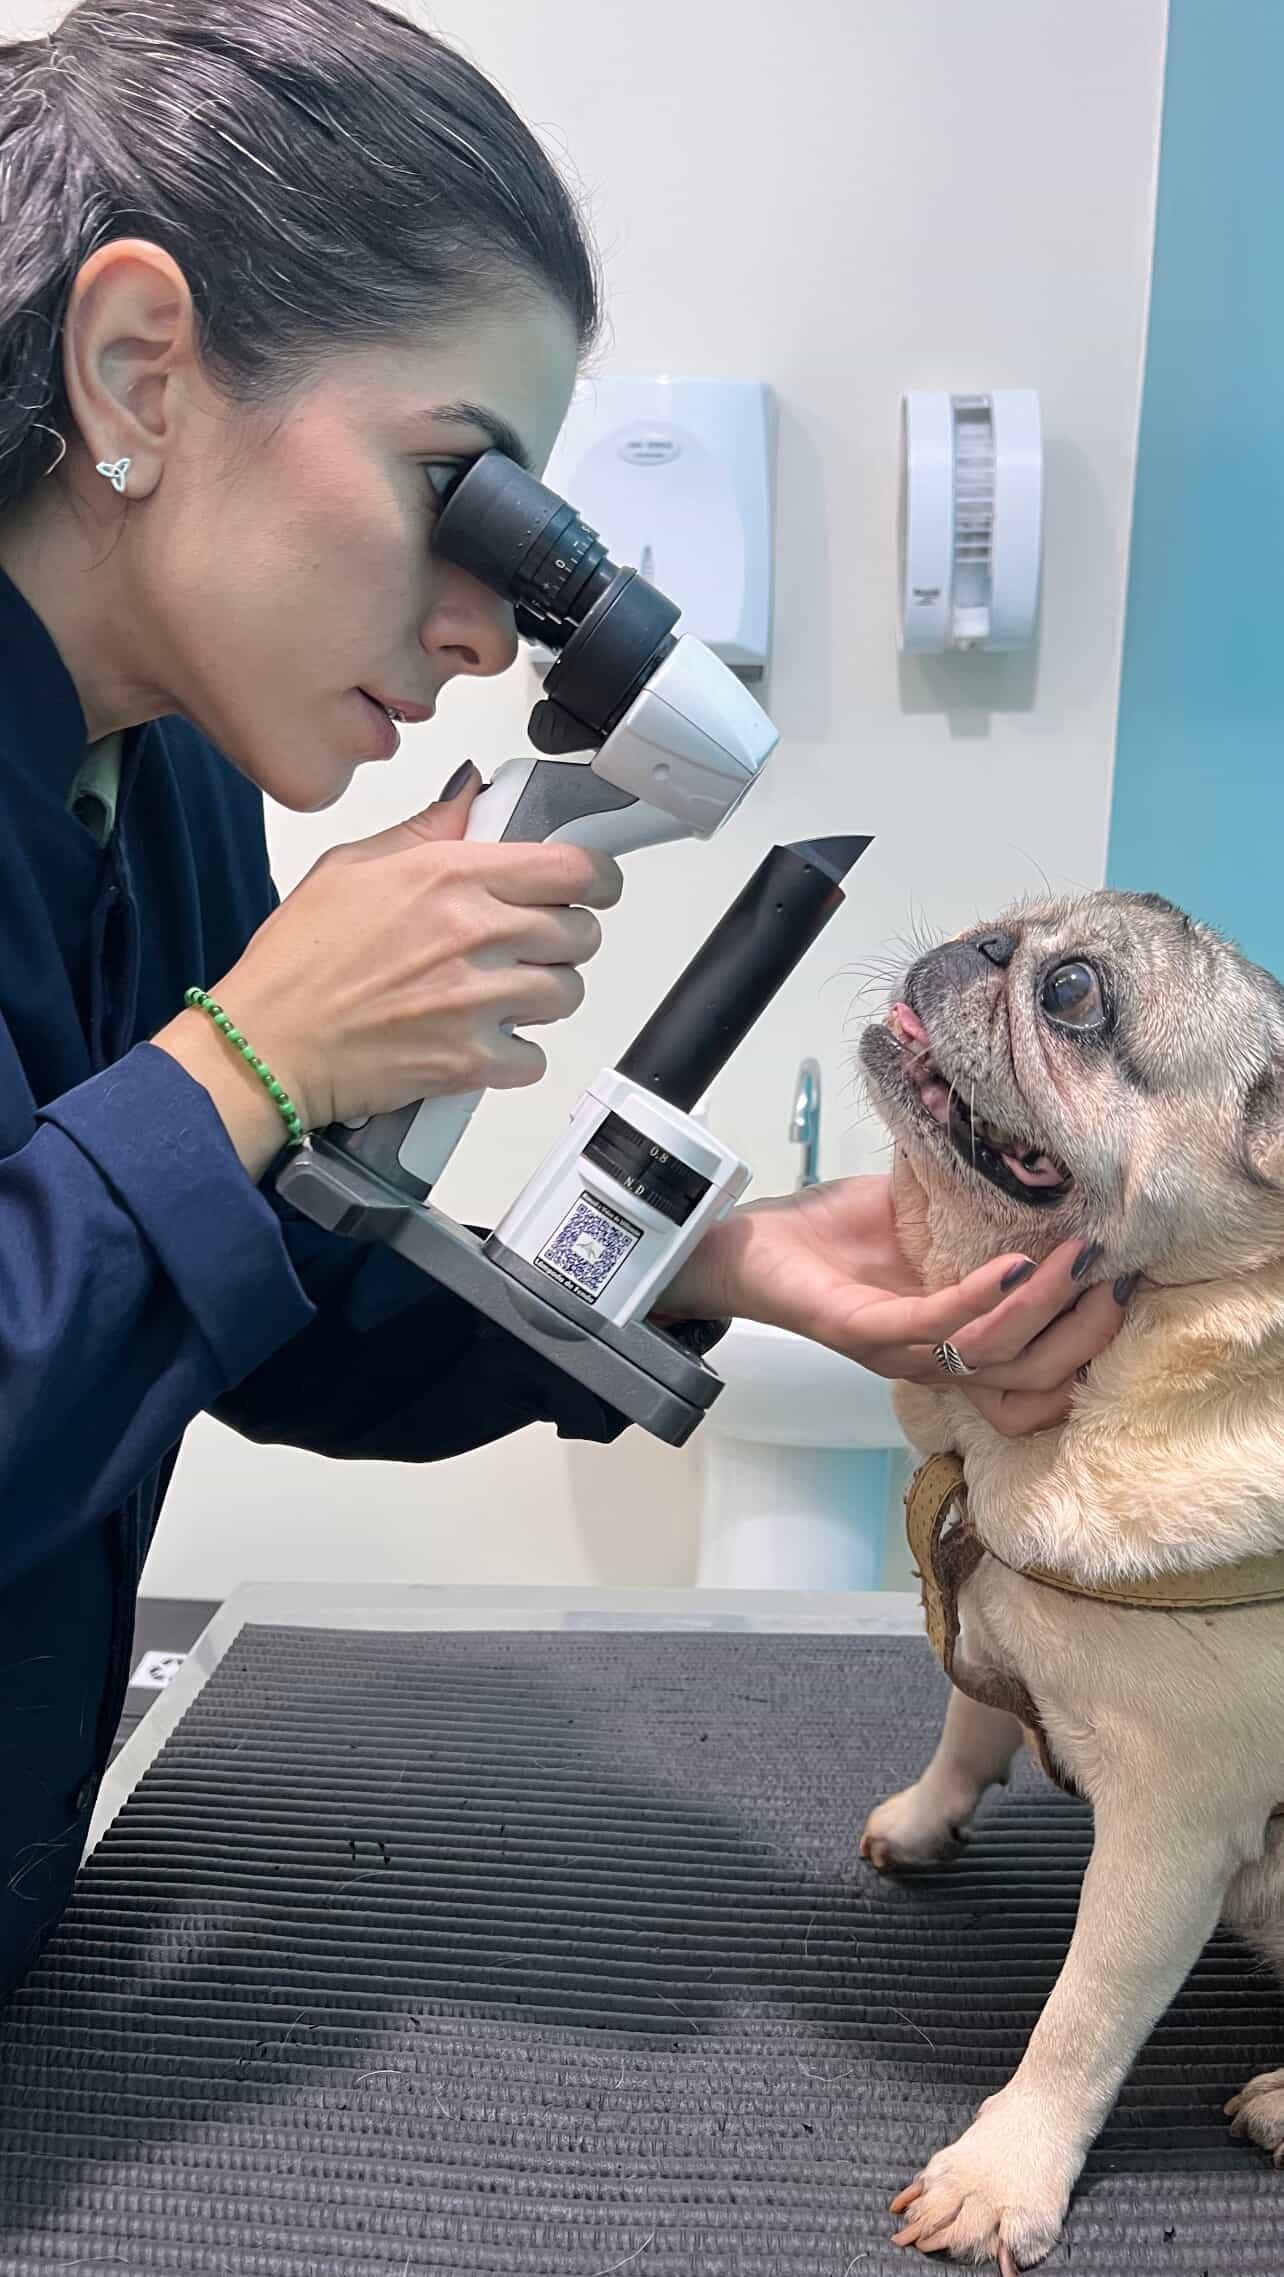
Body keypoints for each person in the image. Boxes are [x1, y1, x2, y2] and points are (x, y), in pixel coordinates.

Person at [0, 0, 1127, 1997]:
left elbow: (248, 1331)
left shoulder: (155, 771)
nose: (473, 621)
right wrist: (249, 1057)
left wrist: (720, 1261)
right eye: (460, 484)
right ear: (137, 369)